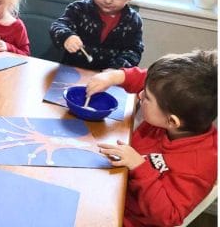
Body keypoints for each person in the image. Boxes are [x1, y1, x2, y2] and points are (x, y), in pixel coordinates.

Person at [87, 50, 218, 227]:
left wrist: (139, 167)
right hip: (115, 186)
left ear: (172, 121)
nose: (140, 95)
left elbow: (168, 217)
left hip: (128, 218)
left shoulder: (198, 165)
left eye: (147, 97)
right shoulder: (179, 112)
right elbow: (151, 81)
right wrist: (115, 77)